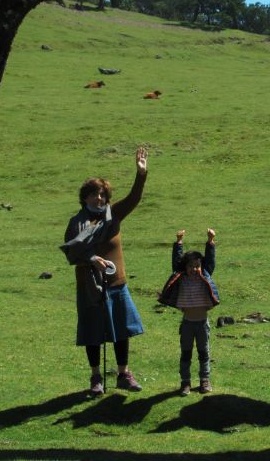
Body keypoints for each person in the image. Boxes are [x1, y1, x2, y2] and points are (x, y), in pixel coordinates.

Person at [60, 146, 149, 397]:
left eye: (102, 195)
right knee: (92, 332)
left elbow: (134, 198)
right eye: (93, 195)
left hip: (116, 283)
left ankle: (123, 374)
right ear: (84, 198)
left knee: (122, 329)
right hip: (90, 286)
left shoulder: (114, 215)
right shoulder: (77, 222)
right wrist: (91, 258)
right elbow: (71, 250)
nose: (98, 199)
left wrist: (141, 174)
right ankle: (96, 377)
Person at [158, 228, 220, 396]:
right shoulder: (181, 277)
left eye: (197, 266)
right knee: (186, 354)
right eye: (191, 266)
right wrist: (179, 242)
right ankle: (185, 383)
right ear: (184, 267)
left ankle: (204, 381)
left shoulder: (205, 276)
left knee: (204, 353)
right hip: (187, 324)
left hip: (202, 324)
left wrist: (210, 241)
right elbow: (176, 261)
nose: (194, 269)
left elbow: (210, 261)